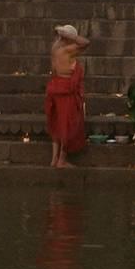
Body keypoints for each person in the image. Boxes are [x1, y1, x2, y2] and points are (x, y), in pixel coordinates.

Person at [45, 24, 88, 168]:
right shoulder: (68, 49)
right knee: (67, 125)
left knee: (57, 123)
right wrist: (72, 37)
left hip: (54, 86)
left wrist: (60, 32)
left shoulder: (55, 48)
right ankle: (61, 160)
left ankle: (53, 159)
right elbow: (86, 43)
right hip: (65, 89)